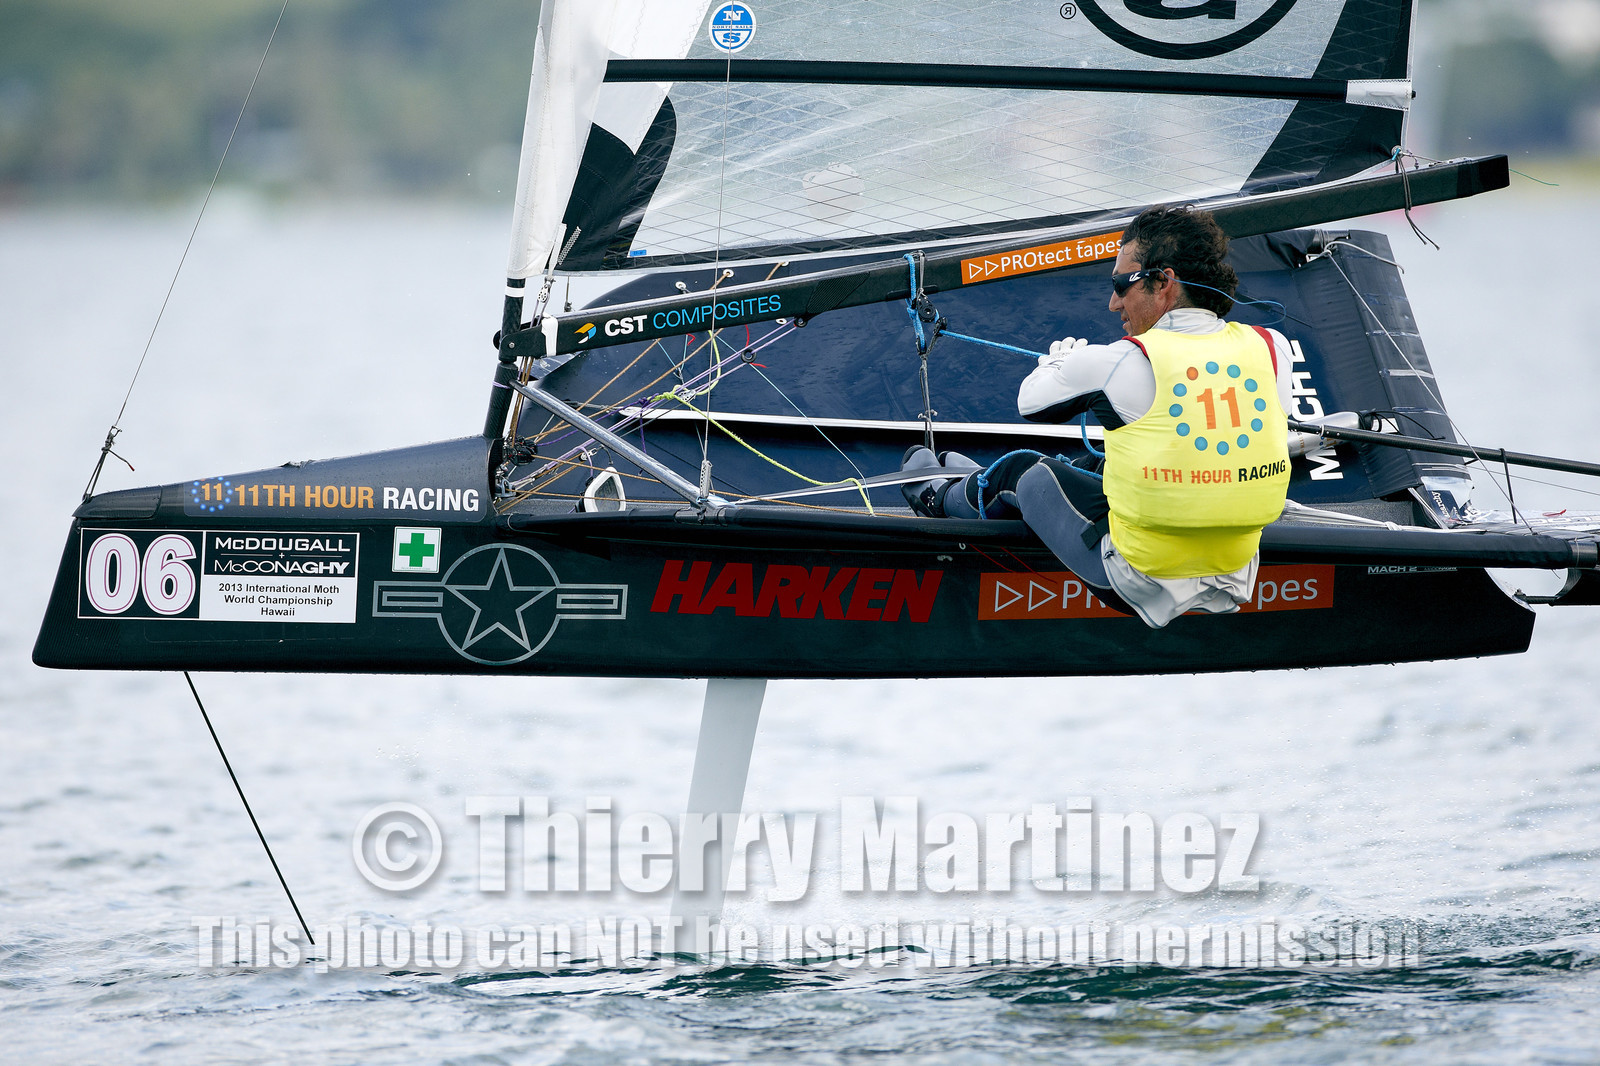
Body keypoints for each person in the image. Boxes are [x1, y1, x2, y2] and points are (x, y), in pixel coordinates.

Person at [902, 205, 1295, 628]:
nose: (1112, 303)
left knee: (1026, 472)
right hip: (1236, 572)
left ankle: (936, 496)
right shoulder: (1273, 348)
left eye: (1120, 285)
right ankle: (975, 483)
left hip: (1140, 579)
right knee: (1104, 463)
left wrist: (1060, 362)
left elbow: (1030, 403)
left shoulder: (1120, 361)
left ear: (1164, 283)